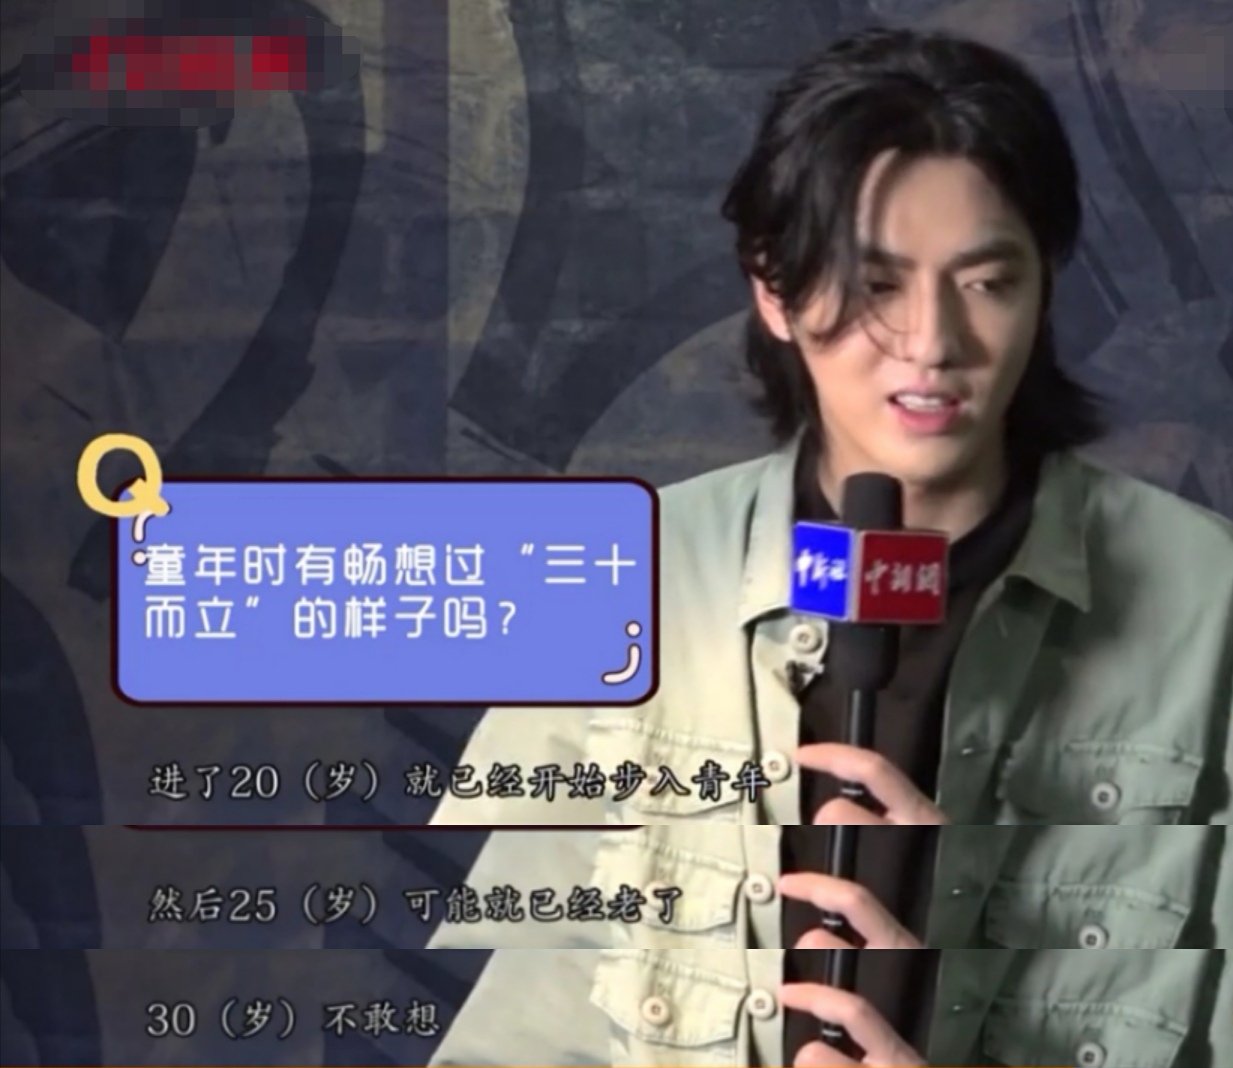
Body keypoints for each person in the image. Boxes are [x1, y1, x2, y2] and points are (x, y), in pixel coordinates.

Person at [424, 26, 1233, 1068]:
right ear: (775, 288)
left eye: (987, 282)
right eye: (876, 284)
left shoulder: (1209, 603)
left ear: (1045, 286)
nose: (932, 343)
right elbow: (519, 1032)